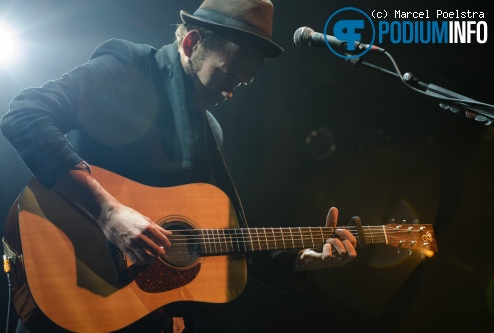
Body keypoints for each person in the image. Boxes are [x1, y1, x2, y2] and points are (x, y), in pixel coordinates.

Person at [1, 0, 357, 332]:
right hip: (70, 279)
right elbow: (25, 115)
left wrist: (299, 258)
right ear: (191, 43)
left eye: (242, 84)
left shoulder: (208, 132)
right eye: (228, 74)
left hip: (135, 312)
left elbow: (217, 239)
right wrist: (108, 212)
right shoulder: (128, 67)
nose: (230, 93)